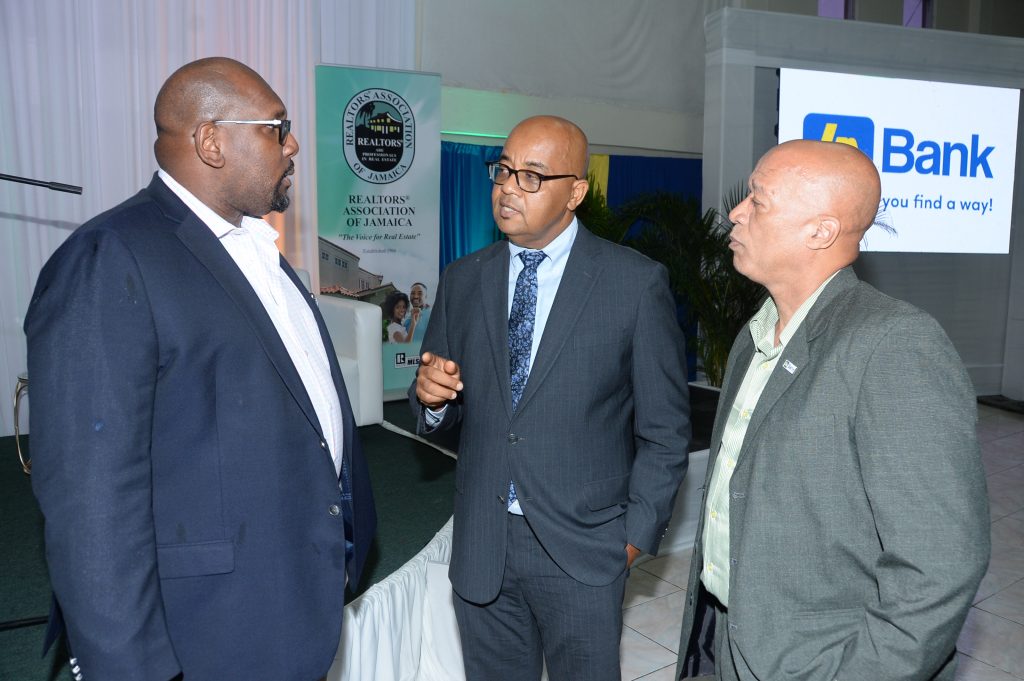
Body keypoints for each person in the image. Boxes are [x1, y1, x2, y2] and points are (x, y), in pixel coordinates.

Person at [25, 57, 376, 681]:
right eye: (276, 126)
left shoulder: (255, 248)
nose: (293, 144)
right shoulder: (112, 258)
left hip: (293, 599)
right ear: (211, 141)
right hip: (207, 629)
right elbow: (92, 503)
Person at [675, 140, 989, 681]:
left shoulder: (895, 344)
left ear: (819, 231)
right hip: (730, 638)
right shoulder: (756, 335)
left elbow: (938, 565)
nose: (736, 212)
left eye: (758, 199)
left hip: (820, 660)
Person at [410, 115, 691, 681]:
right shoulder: (464, 278)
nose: (509, 186)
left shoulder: (633, 284)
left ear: (576, 193)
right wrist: (432, 399)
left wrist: (633, 540)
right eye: (504, 170)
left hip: (585, 550)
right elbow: (436, 408)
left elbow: (665, 432)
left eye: (532, 175)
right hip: (483, 546)